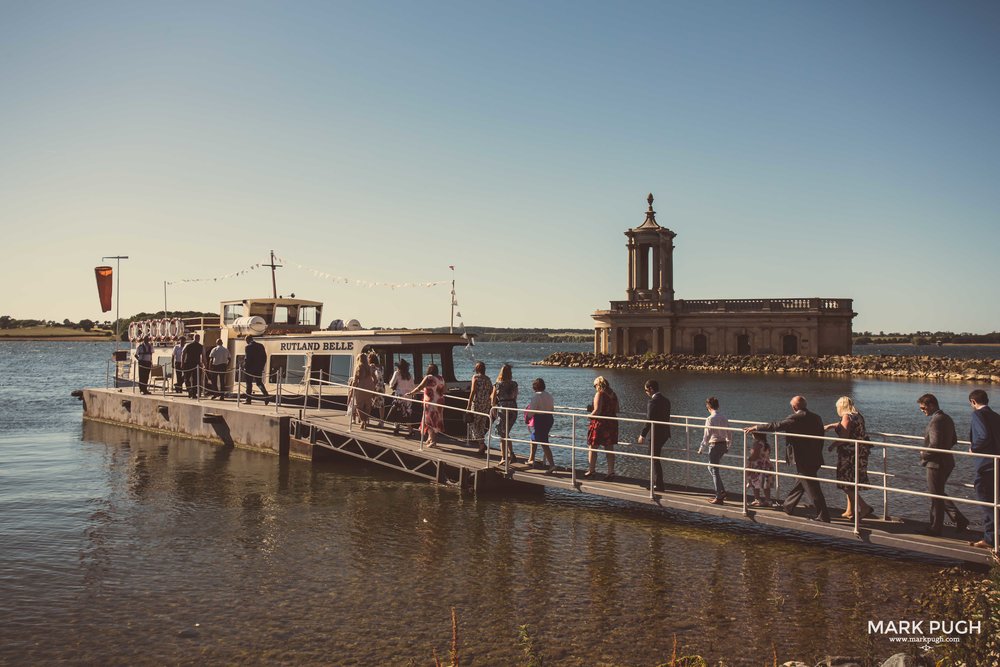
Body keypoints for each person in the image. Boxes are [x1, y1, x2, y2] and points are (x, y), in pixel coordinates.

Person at [745, 395, 830, 522]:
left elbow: (776, 426)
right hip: (816, 456)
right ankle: (788, 506)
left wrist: (756, 428)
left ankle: (824, 515)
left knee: (812, 487)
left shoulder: (796, 417)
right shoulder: (817, 417)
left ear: (794, 407)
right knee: (802, 482)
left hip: (804, 457)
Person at [917, 393, 967, 537]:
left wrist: (923, 454)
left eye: (923, 407)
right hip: (947, 461)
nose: (922, 410)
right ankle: (957, 519)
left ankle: (936, 527)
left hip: (936, 463)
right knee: (938, 492)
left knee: (935, 495)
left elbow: (935, 444)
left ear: (931, 405)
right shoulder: (947, 418)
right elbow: (954, 440)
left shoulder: (936, 421)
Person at [824, 396, 874, 520]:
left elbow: (845, 436)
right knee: (851, 482)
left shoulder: (846, 416)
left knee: (844, 481)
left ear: (841, 406)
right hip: (860, 452)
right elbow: (846, 426)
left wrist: (832, 445)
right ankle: (850, 510)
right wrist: (832, 426)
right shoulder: (857, 415)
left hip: (849, 453)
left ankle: (864, 507)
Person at [968, 390, 1000, 549]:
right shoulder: (996, 416)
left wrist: (974, 448)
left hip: (986, 465)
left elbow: (984, 436)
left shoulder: (977, 415)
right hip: (997, 464)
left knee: (986, 502)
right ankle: (992, 536)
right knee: (994, 502)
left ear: (973, 402)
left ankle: (990, 539)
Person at [637, 379, 671, 492]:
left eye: (646, 390)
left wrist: (642, 435)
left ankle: (659, 485)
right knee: (655, 457)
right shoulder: (666, 401)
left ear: (651, 389)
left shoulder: (652, 402)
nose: (646, 393)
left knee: (654, 458)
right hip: (665, 433)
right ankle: (658, 483)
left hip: (656, 434)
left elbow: (649, 419)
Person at [698, 396, 730, 504]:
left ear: (708, 406)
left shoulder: (710, 419)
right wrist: (728, 445)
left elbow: (707, 435)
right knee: (711, 467)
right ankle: (722, 491)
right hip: (723, 444)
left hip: (715, 445)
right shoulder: (724, 417)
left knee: (714, 470)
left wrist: (702, 447)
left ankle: (719, 496)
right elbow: (729, 432)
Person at [585, 376, 618, 481]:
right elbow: (617, 409)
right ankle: (611, 472)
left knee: (592, 447)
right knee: (609, 448)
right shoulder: (613, 394)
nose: (594, 387)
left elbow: (597, 411)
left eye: (594, 385)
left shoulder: (600, 394)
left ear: (598, 384)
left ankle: (591, 470)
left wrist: (589, 416)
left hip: (600, 424)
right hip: (611, 423)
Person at [408, 363, 446, 448]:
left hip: (430, 402)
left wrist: (411, 393)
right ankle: (430, 438)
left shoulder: (429, 378)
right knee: (436, 421)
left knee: (430, 421)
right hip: (439, 402)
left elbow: (419, 387)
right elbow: (445, 389)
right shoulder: (441, 378)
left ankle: (433, 441)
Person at [524, 378, 556, 474]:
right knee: (534, 438)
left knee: (543, 442)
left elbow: (532, 410)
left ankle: (552, 465)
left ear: (534, 387)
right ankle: (531, 458)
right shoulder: (549, 395)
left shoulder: (536, 397)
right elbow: (552, 408)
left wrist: (527, 418)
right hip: (549, 418)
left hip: (541, 420)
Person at [490, 364, 519, 463]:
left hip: (503, 408)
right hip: (513, 408)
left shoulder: (497, 384)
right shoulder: (514, 384)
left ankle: (504, 457)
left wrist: (493, 409)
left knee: (502, 433)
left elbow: (493, 398)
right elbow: (515, 396)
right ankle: (512, 454)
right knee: (506, 432)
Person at [465, 361, 492, 454]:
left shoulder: (475, 377)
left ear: (476, 369)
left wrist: (468, 406)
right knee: (481, 424)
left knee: (473, 424)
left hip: (477, 403)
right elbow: (491, 391)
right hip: (486, 404)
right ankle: (481, 446)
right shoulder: (488, 379)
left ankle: (481, 444)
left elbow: (473, 391)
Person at [388, 359, 416, 437]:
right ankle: (410, 430)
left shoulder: (397, 373)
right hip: (408, 397)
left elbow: (391, 384)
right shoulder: (409, 375)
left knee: (398, 412)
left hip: (399, 396)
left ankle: (397, 428)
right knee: (407, 413)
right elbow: (413, 386)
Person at [746, 433, 775, 507]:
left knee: (755, 484)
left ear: (756, 435)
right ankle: (768, 500)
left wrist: (749, 459)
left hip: (758, 466)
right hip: (767, 465)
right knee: (766, 485)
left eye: (752, 433)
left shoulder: (757, 444)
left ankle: (757, 499)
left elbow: (754, 456)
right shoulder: (766, 444)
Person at [348, 353, 376, 429]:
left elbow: (355, 381)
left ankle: (363, 421)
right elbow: (375, 379)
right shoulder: (369, 367)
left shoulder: (358, 367)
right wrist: (373, 385)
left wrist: (351, 391)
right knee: (368, 406)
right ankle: (365, 421)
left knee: (359, 406)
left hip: (361, 388)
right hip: (370, 387)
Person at [242, 335, 270, 405]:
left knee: (249, 384)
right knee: (259, 383)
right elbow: (264, 357)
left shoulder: (248, 347)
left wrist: (245, 366)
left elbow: (247, 359)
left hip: (249, 369)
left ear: (248, 340)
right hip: (258, 368)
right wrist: (261, 366)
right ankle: (266, 395)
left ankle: (248, 399)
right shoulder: (260, 346)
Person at [181, 334, 204, 399]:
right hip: (197, 364)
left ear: (193, 338)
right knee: (196, 380)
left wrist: (182, 363)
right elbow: (203, 356)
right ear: (199, 339)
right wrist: (204, 364)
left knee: (186, 378)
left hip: (188, 363)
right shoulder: (201, 346)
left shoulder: (187, 345)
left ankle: (189, 390)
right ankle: (194, 393)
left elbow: (183, 353)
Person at [368, 352, 386, 427]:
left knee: (369, 402)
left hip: (374, 386)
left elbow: (372, 376)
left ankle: (366, 420)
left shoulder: (372, 366)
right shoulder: (381, 367)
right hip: (381, 386)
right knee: (381, 405)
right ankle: (381, 421)